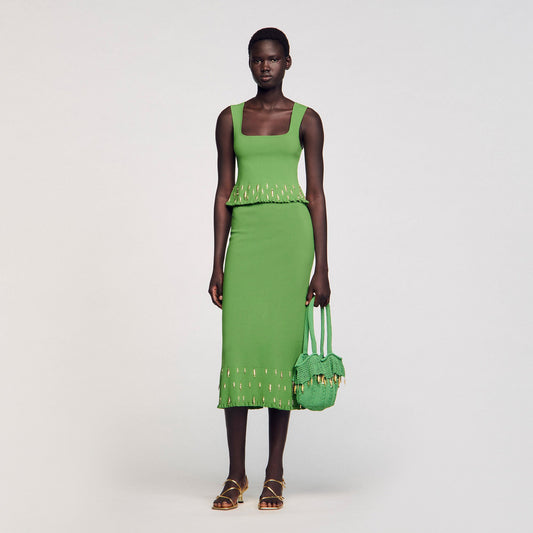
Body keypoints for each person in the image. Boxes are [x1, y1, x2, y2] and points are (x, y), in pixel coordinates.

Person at [208, 27, 330, 511]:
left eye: (274, 59)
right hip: (248, 240)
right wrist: (217, 263)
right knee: (238, 351)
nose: (265, 66)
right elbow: (223, 191)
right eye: (258, 59)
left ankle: (274, 473)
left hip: (290, 245)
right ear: (249, 62)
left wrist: (322, 268)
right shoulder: (229, 118)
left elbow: (316, 194)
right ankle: (235, 475)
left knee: (282, 355)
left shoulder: (307, 119)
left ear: (287, 62)